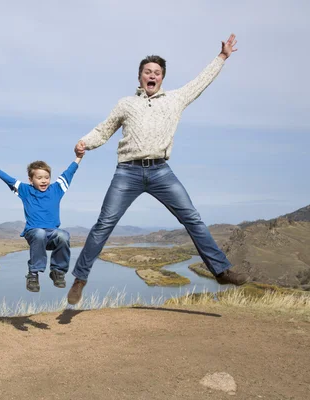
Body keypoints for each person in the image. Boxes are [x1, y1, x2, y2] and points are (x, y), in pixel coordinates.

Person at [67, 34, 249, 305]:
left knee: (192, 218)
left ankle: (221, 271)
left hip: (161, 171)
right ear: (140, 77)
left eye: (157, 72)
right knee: (104, 224)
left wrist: (222, 57)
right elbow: (104, 129)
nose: (152, 75)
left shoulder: (175, 99)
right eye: (147, 72)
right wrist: (85, 143)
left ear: (162, 78)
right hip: (127, 172)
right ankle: (80, 279)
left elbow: (201, 82)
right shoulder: (126, 104)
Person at [0, 148, 84, 292]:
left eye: (46, 177)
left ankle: (57, 272)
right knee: (39, 233)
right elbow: (9, 179)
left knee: (64, 235)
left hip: (52, 234)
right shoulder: (25, 190)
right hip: (34, 233)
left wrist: (78, 157)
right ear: (31, 180)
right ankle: (33, 274)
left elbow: (69, 173)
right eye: (39, 178)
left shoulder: (56, 189)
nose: (44, 180)